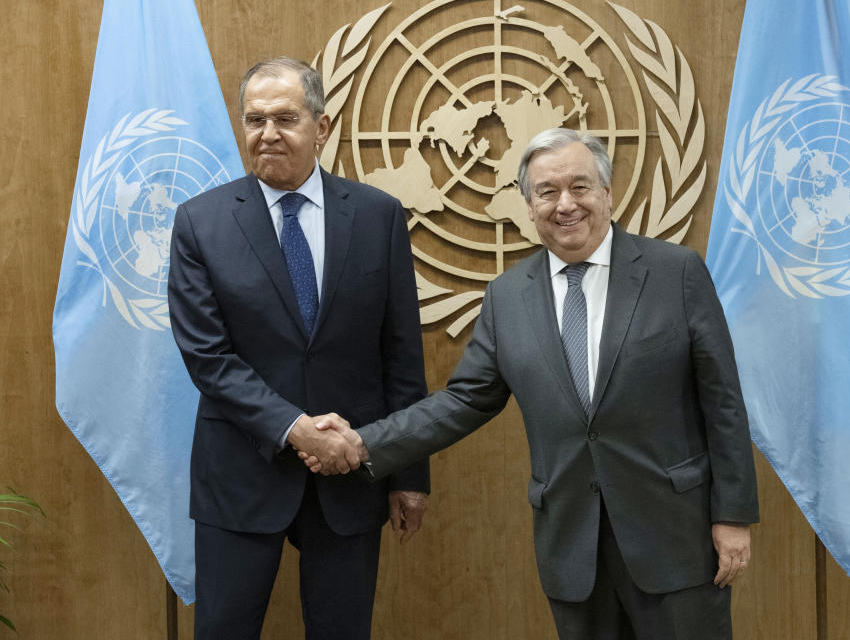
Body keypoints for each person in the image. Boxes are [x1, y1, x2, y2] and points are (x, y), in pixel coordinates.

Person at [303, 128, 760, 639]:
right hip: (573, 546)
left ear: (608, 193)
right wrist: (363, 443)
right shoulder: (507, 297)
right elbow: (462, 402)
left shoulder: (675, 272)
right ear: (528, 205)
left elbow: (723, 401)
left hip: (676, 540)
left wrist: (734, 516)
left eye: (580, 187)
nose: (565, 205)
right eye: (547, 192)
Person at [167, 57, 429, 640]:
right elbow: (207, 358)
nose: (268, 134)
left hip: (350, 476)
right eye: (254, 119)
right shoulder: (199, 223)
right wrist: (295, 428)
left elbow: (402, 355)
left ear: (324, 126)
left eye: (286, 118)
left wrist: (409, 473)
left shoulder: (377, 216)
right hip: (240, 474)